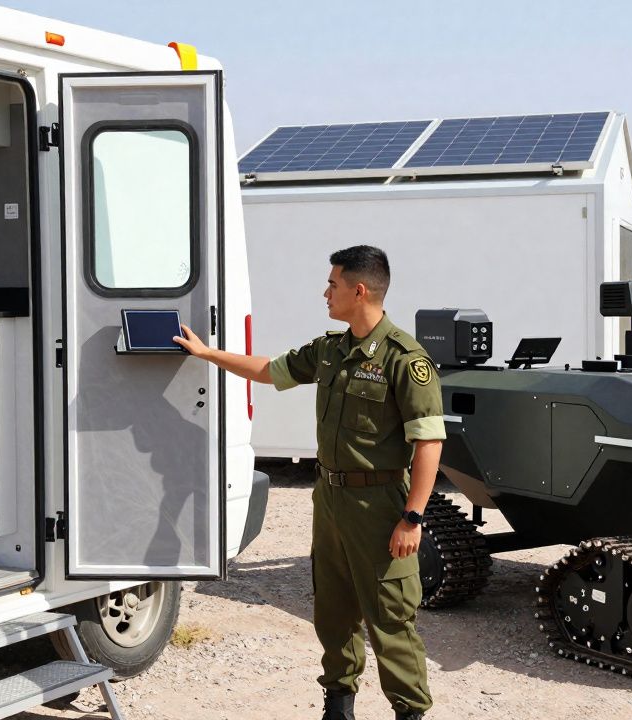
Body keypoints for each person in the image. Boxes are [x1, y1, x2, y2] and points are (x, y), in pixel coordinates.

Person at [174, 245, 442, 720]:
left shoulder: (404, 359)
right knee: (333, 610)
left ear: (359, 291)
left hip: (379, 505)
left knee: (389, 616)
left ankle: (410, 712)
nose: (325, 292)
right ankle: (338, 707)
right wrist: (208, 354)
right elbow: (268, 370)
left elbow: (429, 443)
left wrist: (412, 517)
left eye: (333, 284)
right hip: (331, 499)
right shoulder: (330, 350)